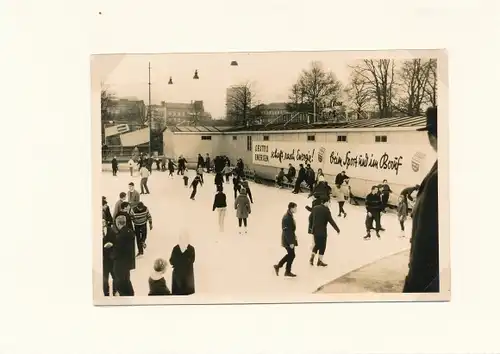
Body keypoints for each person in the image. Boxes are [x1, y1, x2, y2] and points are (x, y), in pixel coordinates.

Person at [404, 106, 439, 293]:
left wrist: (413, 286)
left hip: (429, 281)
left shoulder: (437, 179)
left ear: (431, 136)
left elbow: (424, 239)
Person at [310, 199, 340, 266]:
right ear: (326, 202)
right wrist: (337, 229)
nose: (329, 204)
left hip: (315, 230)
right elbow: (331, 221)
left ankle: (312, 258)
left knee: (317, 244)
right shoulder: (326, 210)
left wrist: (311, 228)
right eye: (329, 202)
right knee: (322, 246)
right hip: (322, 231)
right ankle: (319, 261)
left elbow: (310, 218)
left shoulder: (315, 208)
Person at [113, 215, 136, 296]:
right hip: (128, 262)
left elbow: (117, 251)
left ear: (118, 223)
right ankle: (130, 295)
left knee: (121, 284)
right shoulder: (130, 232)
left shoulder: (120, 236)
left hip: (120, 264)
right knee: (127, 280)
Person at [273, 202, 298, 277]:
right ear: (291, 208)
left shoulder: (289, 215)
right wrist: (291, 242)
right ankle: (286, 271)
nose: (296, 209)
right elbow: (287, 231)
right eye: (295, 208)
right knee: (292, 254)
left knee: (291, 254)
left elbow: (291, 229)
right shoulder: (287, 217)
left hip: (289, 238)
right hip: (287, 239)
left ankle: (279, 266)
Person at [169, 230, 196, 295]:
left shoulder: (176, 248)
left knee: (177, 296)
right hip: (188, 276)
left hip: (178, 276)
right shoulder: (191, 249)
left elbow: (171, 261)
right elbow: (192, 260)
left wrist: (178, 263)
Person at [102, 218, 117, 296]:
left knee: (115, 276)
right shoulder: (95, 233)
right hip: (103, 260)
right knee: (104, 279)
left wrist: (112, 245)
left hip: (111, 259)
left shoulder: (111, 230)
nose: (102, 224)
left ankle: (115, 291)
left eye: (103, 222)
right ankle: (106, 293)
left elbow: (116, 242)